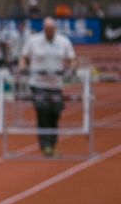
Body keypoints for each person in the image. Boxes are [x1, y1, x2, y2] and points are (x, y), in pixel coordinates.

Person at [18, 16, 78, 157]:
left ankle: (52, 144)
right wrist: (22, 67)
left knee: (55, 113)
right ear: (44, 28)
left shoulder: (63, 41)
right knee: (42, 110)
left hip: (56, 85)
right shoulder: (34, 40)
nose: (49, 31)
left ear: (55, 29)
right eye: (47, 29)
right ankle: (45, 146)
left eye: (51, 29)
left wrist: (72, 70)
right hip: (38, 83)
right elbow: (24, 57)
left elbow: (72, 59)